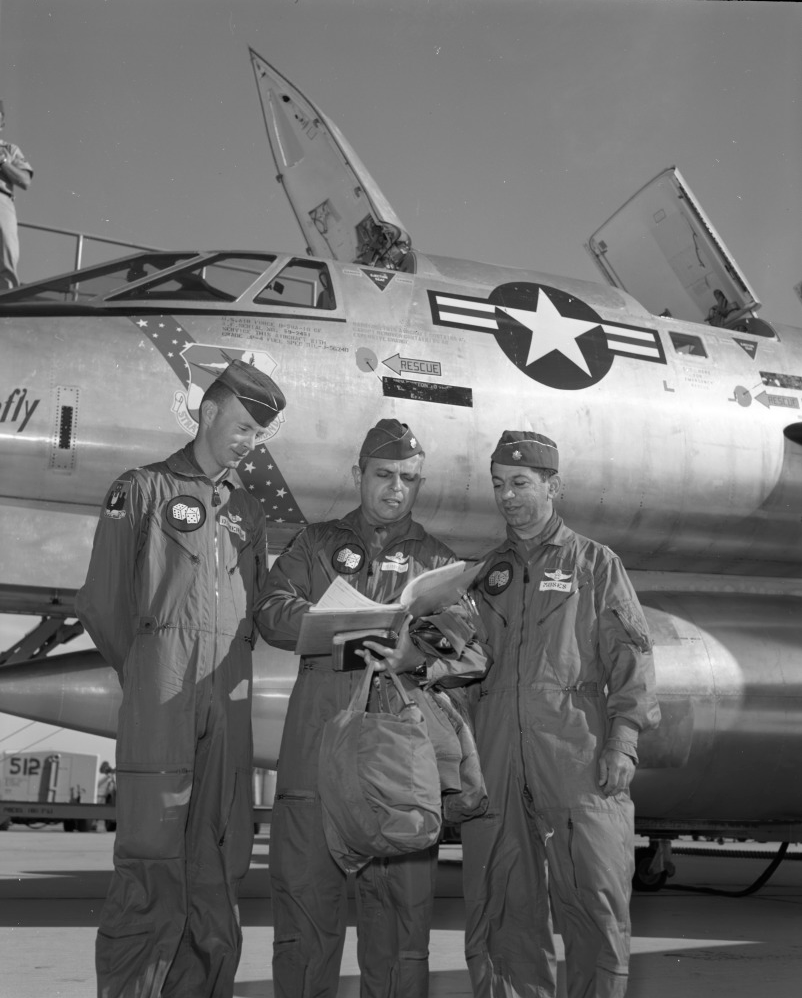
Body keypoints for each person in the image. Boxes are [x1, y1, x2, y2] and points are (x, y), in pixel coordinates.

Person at [76, 359, 286, 998]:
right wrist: (149, 672)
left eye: (259, 435)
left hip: (229, 699)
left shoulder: (247, 509)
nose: (250, 443)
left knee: (221, 864)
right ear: (208, 410)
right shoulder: (139, 489)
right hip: (162, 696)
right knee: (151, 860)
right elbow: (103, 604)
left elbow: (253, 611)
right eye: (245, 426)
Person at [259, 417, 488, 998]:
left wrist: (414, 652)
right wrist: (343, 628)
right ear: (358, 474)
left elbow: (471, 650)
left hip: (399, 772)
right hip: (317, 761)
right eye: (383, 475)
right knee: (304, 929)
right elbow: (270, 612)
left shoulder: (436, 562)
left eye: (409, 479)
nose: (395, 488)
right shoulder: (314, 545)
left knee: (399, 936)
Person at [462, 430, 661, 998]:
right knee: (502, 903)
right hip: (497, 759)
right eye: (499, 484)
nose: (507, 496)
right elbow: (461, 659)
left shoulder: (596, 564)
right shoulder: (481, 575)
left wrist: (623, 741)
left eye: (520, 483)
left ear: (554, 486)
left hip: (576, 753)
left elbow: (633, 659)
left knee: (593, 901)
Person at [0, 100, 33, 290]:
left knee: (6, 256)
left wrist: (2, 163)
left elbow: (24, 180)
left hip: (1, 201)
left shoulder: (10, 150)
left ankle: (4, 306)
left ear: (2, 123)